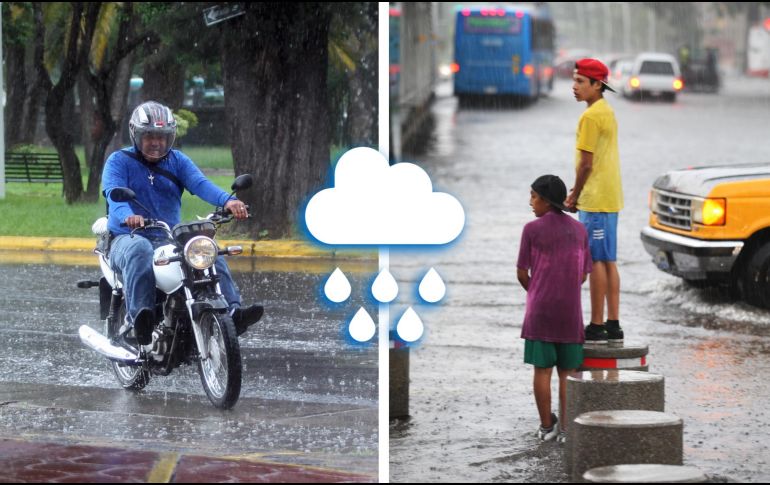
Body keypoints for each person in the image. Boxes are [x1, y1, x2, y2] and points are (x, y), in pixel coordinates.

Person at [102, 101, 263, 344]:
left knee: (204, 246)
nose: (156, 142)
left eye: (162, 137)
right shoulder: (118, 161)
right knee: (140, 249)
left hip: (167, 236)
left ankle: (232, 312)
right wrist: (128, 217)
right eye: (149, 136)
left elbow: (201, 185)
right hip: (127, 237)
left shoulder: (177, 161)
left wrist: (229, 202)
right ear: (136, 135)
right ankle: (139, 321)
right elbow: (115, 194)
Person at [517, 175, 592, 443]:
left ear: (546, 201)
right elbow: (584, 275)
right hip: (570, 313)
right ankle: (568, 431)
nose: (530, 202)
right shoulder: (580, 230)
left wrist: (538, 293)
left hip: (539, 312)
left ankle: (547, 427)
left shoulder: (531, 229)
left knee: (542, 370)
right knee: (568, 374)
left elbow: (522, 273)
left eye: (534, 196)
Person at [564, 58, 624, 344]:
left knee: (596, 260)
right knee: (609, 260)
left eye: (580, 82)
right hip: (610, 195)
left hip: (595, 197)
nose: (574, 87)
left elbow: (585, 163)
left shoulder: (589, 117)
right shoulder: (606, 110)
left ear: (597, 85)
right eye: (574, 80)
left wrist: (574, 194)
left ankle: (597, 325)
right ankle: (613, 323)